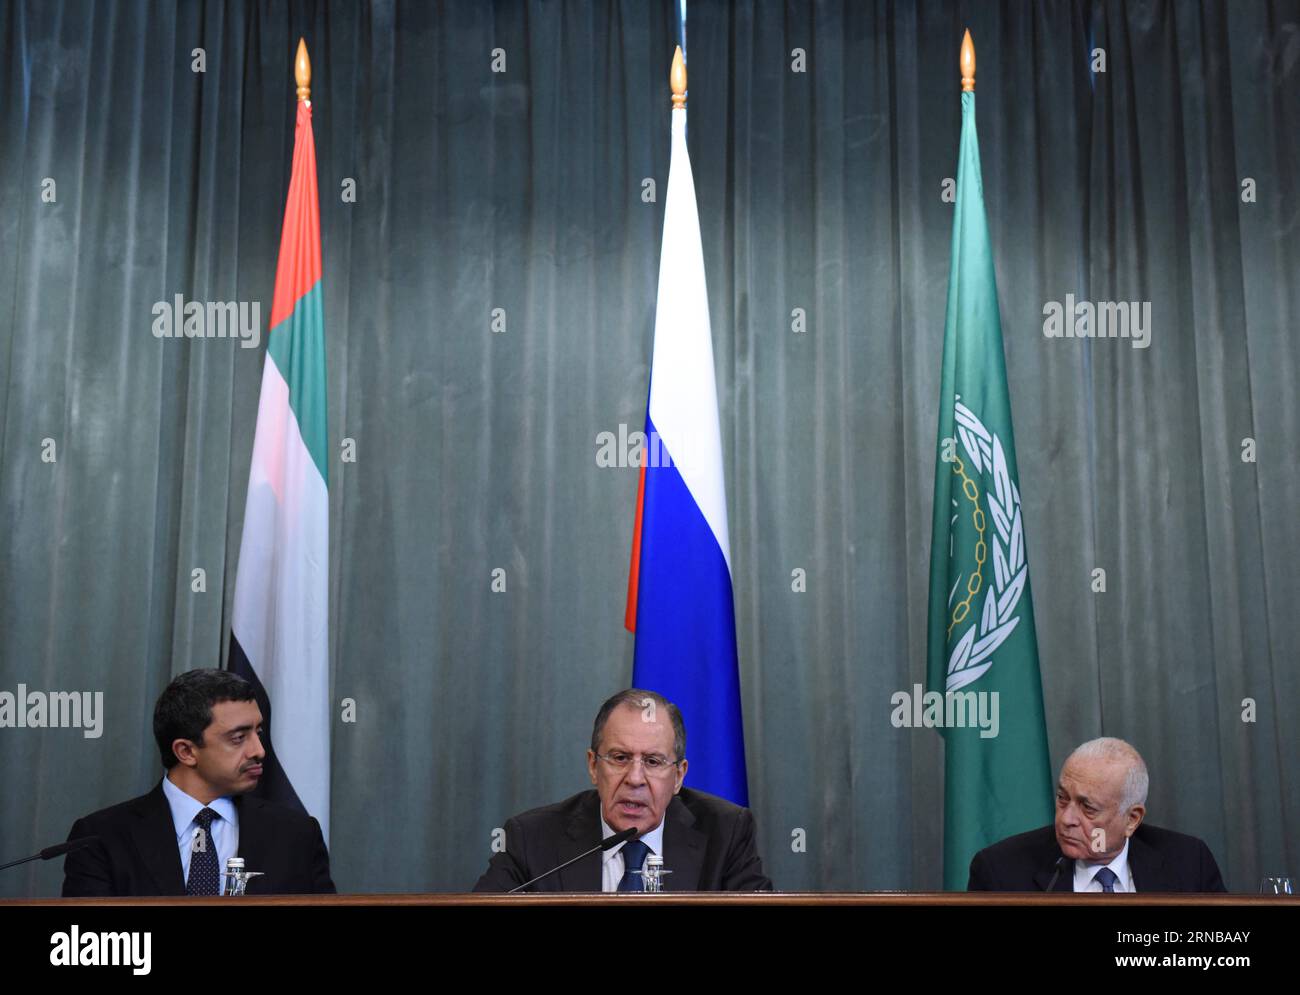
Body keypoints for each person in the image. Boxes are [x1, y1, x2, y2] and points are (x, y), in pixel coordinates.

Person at [62, 669, 335, 896]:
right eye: (239, 738)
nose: (259, 750)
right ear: (187, 752)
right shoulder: (100, 838)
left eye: (258, 732)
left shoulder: (297, 835)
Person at [474, 688, 772, 892]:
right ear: (593, 766)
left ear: (678, 776)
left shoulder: (726, 832)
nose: (635, 778)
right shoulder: (532, 838)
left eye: (653, 761)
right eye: (620, 758)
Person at [968, 737, 1226, 892]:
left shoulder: (1190, 863)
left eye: (1088, 808)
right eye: (1062, 798)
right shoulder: (1000, 870)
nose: (1067, 819)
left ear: (1132, 819)